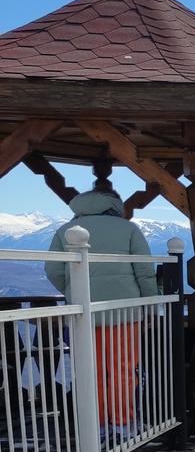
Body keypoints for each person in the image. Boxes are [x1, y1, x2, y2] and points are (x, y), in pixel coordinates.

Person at [44, 186, 158, 436]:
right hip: (125, 311)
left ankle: (97, 426)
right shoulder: (129, 229)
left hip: (84, 312)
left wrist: (74, 290)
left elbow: (53, 270)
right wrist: (151, 304)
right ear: (115, 205)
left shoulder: (65, 231)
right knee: (124, 369)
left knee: (90, 370)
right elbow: (145, 271)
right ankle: (123, 424)